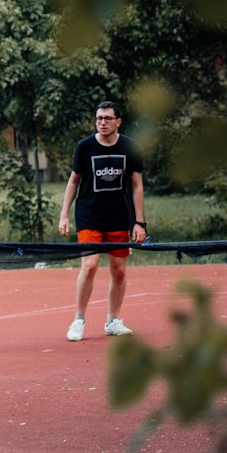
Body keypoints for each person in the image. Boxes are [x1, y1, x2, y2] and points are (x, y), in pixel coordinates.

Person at [58, 100, 146, 341]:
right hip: (89, 215)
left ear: (118, 121)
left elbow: (137, 186)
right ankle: (79, 319)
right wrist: (64, 214)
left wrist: (140, 222)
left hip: (119, 216)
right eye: (99, 118)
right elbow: (73, 181)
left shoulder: (130, 147)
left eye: (107, 118)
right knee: (90, 266)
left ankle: (112, 320)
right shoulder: (84, 147)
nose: (102, 122)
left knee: (118, 271)